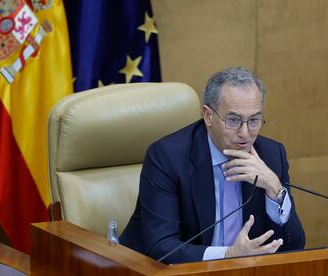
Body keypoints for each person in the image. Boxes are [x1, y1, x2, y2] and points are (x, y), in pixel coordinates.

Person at [120, 67, 305, 264]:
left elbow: (294, 245)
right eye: (233, 120)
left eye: (254, 120)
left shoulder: (271, 155)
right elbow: (161, 247)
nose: (245, 133)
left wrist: (274, 188)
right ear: (208, 115)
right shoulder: (167, 157)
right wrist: (228, 255)